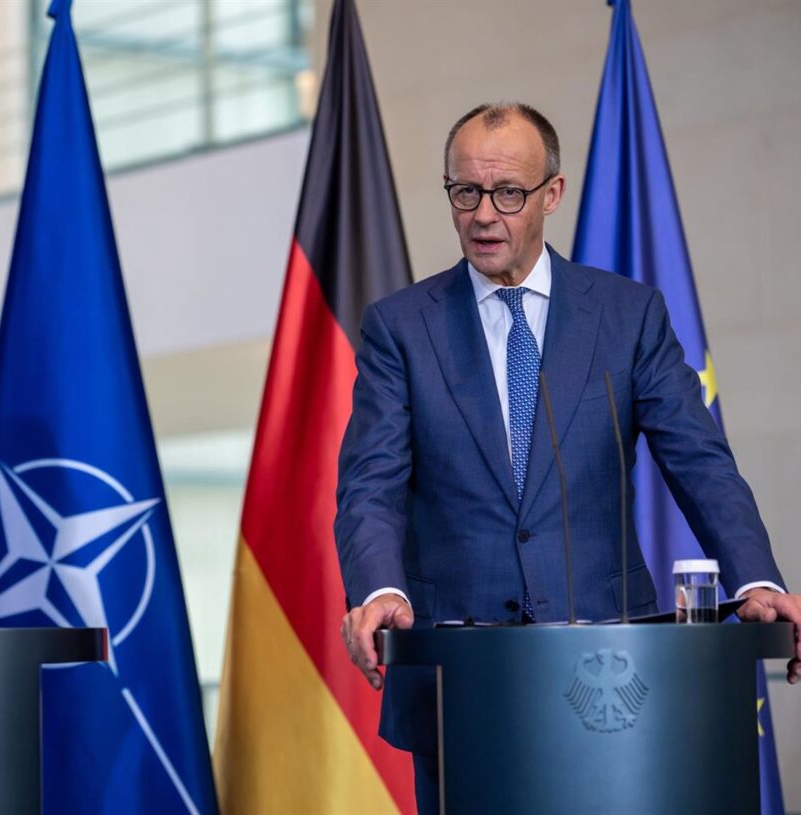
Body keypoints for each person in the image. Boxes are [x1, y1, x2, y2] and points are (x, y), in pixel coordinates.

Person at [333, 102, 801, 809]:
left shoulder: (627, 313)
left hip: (616, 681)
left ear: (552, 193)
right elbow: (370, 482)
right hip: (461, 689)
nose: (484, 214)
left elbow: (700, 462)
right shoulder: (400, 328)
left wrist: (757, 578)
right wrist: (379, 590)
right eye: (465, 192)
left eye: (508, 193)